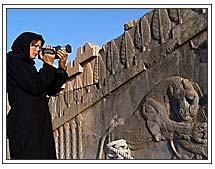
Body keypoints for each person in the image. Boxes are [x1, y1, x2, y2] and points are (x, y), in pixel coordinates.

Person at [6, 32, 69, 159]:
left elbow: (49, 89)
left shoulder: (30, 66)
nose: (37, 50)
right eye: (33, 46)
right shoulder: (12, 61)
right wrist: (47, 65)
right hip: (24, 125)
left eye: (39, 47)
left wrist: (61, 67)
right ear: (24, 45)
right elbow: (34, 87)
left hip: (39, 123)